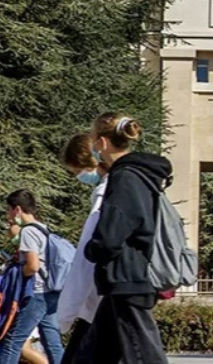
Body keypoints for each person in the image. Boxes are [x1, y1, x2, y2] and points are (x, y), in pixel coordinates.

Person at [83, 113, 171, 364]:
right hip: (126, 278)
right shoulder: (141, 176)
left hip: (127, 278)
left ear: (102, 142)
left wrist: (93, 249)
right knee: (92, 354)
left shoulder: (126, 177)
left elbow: (113, 232)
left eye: (92, 141)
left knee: (143, 354)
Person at [0, 190, 65, 364]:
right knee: (52, 342)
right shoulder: (44, 229)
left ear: (17, 209)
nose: (8, 214)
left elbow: (33, 266)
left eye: (9, 210)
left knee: (13, 341)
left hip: (36, 293)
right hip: (50, 292)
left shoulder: (28, 232)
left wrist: (17, 273)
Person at [56, 134, 108, 364]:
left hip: (100, 305)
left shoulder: (104, 194)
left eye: (77, 172)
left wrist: (64, 316)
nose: (79, 178)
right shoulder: (128, 187)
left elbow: (85, 261)